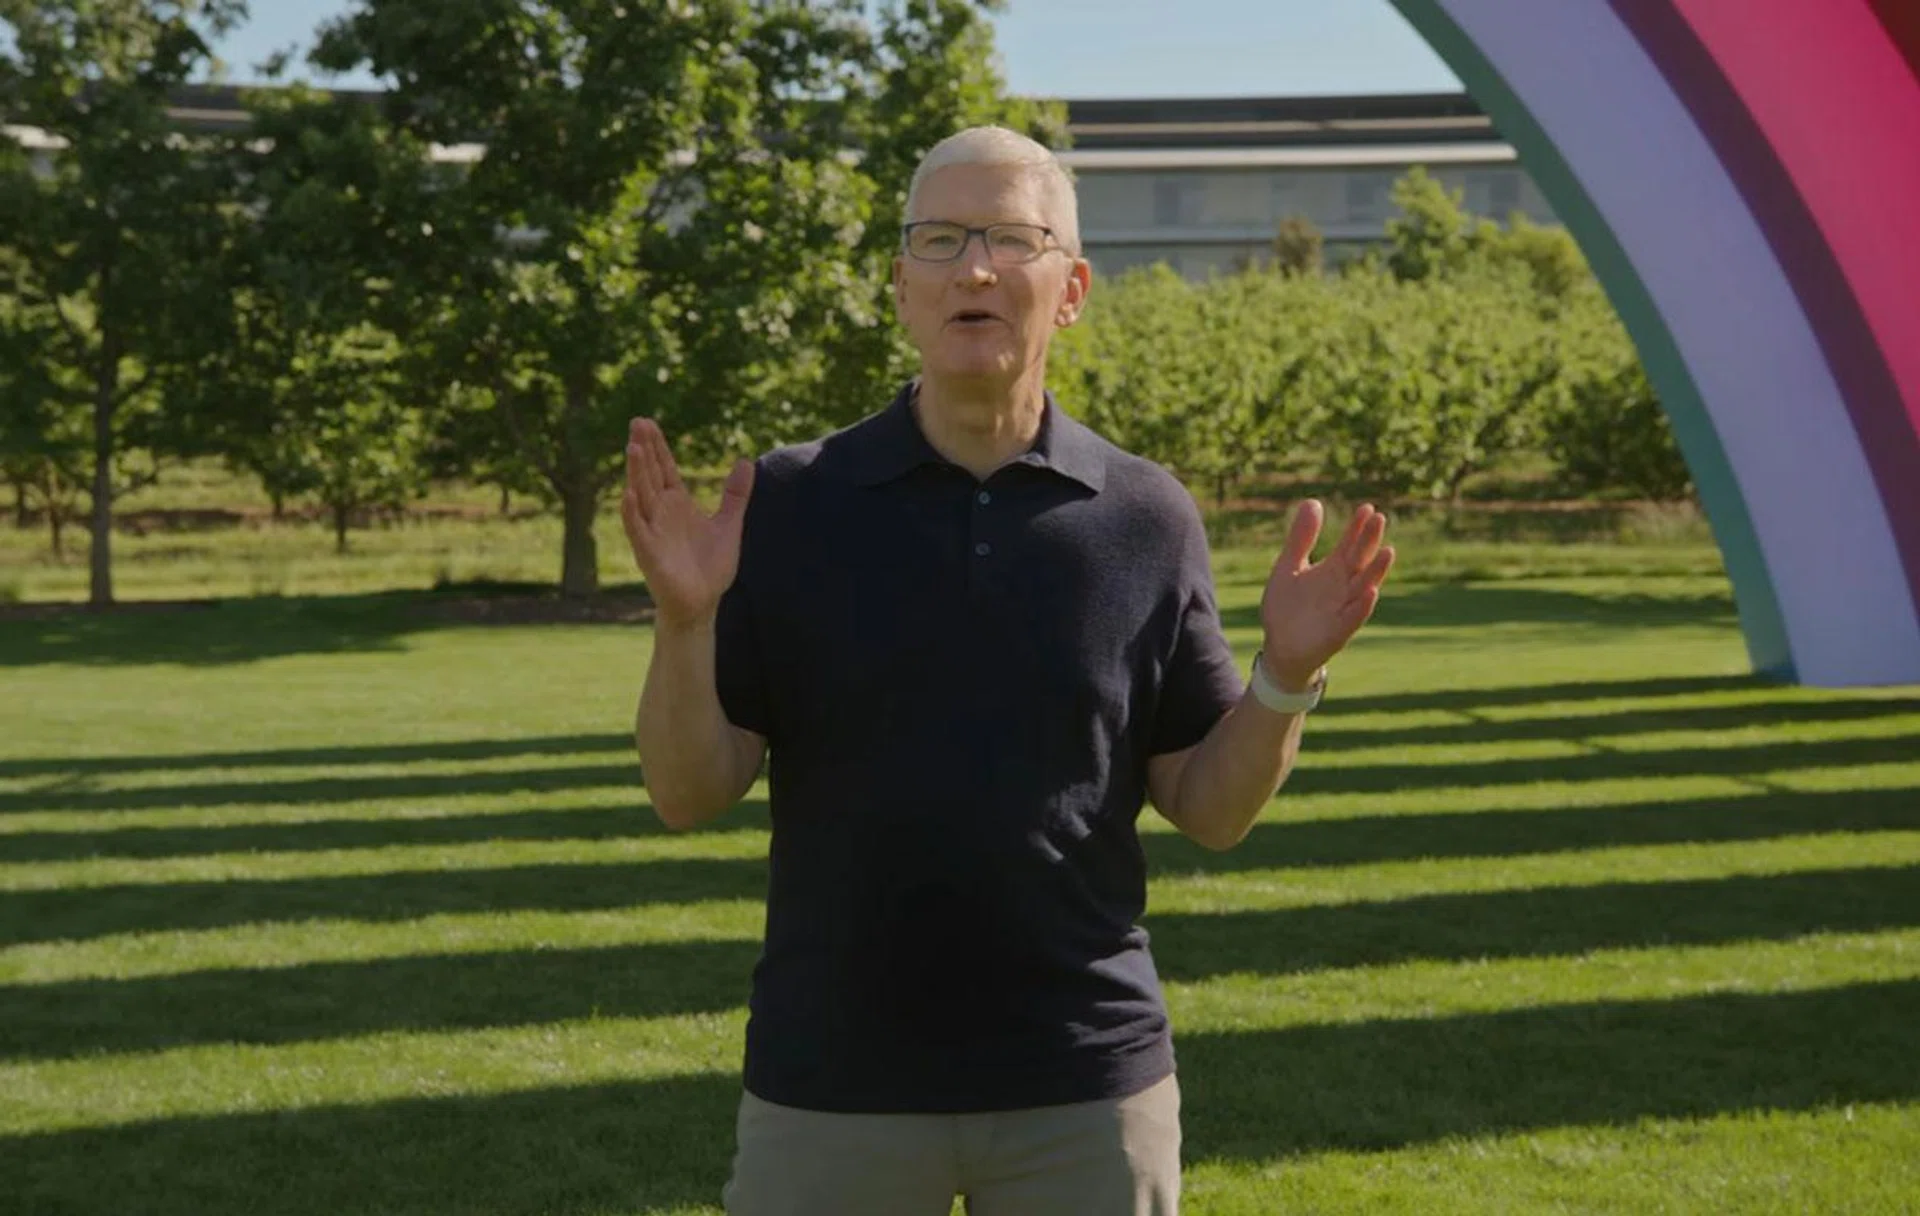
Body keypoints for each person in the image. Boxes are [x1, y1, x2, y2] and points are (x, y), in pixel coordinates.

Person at [625, 126, 1394, 1216]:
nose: (972, 269)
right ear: (900, 287)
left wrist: (1282, 677)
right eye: (938, 240)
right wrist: (684, 620)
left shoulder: (1145, 515)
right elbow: (685, 789)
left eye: (1009, 239)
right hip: (831, 1084)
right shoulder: (793, 504)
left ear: (1070, 287)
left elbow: (1210, 810)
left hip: (1083, 1083)